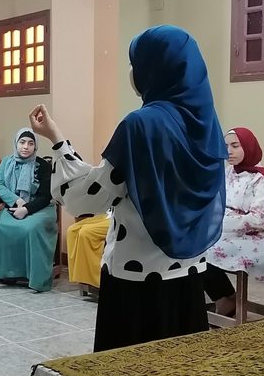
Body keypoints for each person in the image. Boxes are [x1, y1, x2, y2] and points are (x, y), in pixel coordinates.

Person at [29, 25, 227, 351]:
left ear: (153, 69)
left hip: (137, 279)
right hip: (189, 275)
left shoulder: (141, 124)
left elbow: (87, 198)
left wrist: (58, 142)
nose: (131, 72)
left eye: (135, 63)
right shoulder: (206, 124)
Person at [202, 128, 264, 316]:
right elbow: (217, 202)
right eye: (225, 146)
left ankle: (226, 298)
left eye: (235, 146)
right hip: (226, 231)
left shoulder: (261, 178)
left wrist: (223, 223)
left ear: (248, 147)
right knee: (193, 247)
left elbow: (257, 219)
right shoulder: (227, 172)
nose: (228, 151)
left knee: (204, 251)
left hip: (254, 237)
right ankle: (224, 297)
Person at [0, 128, 58, 292]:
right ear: (16, 143)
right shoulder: (7, 162)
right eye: (22, 142)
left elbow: (46, 196)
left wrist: (26, 209)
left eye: (30, 143)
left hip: (41, 208)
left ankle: (36, 277)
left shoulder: (42, 165)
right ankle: (8, 274)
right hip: (14, 208)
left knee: (30, 228)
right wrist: (17, 201)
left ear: (35, 146)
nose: (26, 147)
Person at [66, 214, 111, 296]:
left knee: (85, 233)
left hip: (119, 217)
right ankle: (81, 278)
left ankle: (97, 280)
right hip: (106, 215)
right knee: (72, 230)